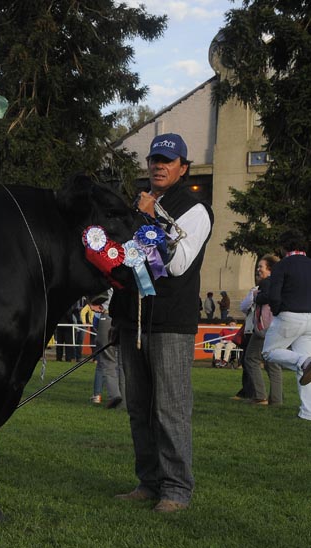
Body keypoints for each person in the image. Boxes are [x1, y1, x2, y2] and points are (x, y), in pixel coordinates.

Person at [111, 133, 213, 513]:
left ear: (183, 168)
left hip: (171, 322)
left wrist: (153, 219)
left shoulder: (196, 210)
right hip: (132, 319)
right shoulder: (138, 205)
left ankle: (176, 490)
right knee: (138, 407)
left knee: (170, 409)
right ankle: (148, 481)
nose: (158, 165)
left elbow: (179, 263)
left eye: (167, 161)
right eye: (154, 159)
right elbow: (124, 258)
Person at [260, 232, 311, 421]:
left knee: (269, 352)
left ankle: (304, 361)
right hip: (310, 318)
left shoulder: (282, 265)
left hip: (289, 315)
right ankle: (307, 412)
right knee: (306, 368)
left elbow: (274, 295)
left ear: (283, 247)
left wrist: (277, 310)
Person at [240, 255, 282, 405]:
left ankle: (259, 395)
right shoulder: (279, 283)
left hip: (263, 328)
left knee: (251, 359)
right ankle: (276, 399)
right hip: (275, 327)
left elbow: (265, 298)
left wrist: (256, 295)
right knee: (272, 363)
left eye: (261, 267)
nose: (258, 270)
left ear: (269, 269)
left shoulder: (266, 283)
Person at [89, 291, 124, 409]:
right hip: (126, 317)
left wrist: (91, 302)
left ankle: (114, 395)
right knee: (123, 361)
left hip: (108, 315)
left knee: (107, 359)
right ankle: (124, 400)